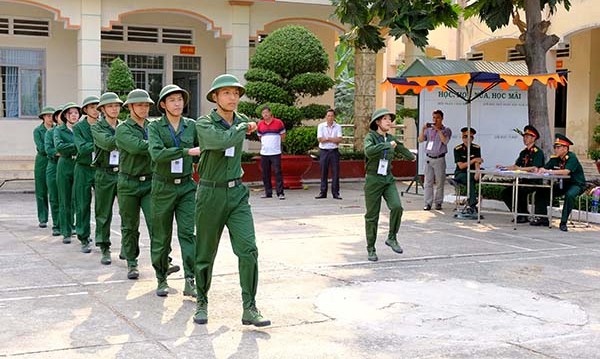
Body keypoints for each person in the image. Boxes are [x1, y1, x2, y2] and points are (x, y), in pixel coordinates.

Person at [193, 74, 270, 327]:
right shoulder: (204, 123)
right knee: (205, 252)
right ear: (215, 97)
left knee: (248, 249)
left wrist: (249, 126)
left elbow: (258, 132)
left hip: (237, 193)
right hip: (210, 193)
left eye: (236, 93)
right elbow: (218, 141)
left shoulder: (241, 121)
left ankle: (250, 307)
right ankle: (202, 301)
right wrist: (242, 128)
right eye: (226, 93)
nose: (233, 98)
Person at [117, 89, 182, 280]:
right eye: (139, 105)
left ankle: (164, 260)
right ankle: (132, 262)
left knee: (157, 224)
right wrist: (158, 146)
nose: (144, 108)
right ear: (130, 107)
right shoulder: (123, 129)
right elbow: (136, 147)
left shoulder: (154, 126)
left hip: (150, 182)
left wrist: (161, 147)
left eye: (146, 105)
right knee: (129, 225)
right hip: (128, 182)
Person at [148, 85, 200, 297]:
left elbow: (201, 151)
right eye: (172, 100)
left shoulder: (191, 126)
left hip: (186, 186)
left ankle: (190, 279)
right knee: (161, 236)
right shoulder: (155, 128)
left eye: (180, 99)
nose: (177, 103)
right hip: (163, 186)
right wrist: (186, 151)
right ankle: (161, 278)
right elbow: (157, 154)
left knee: (188, 233)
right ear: (163, 105)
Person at [364, 108, 415, 262]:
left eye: (389, 119)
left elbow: (401, 148)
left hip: (388, 178)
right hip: (373, 180)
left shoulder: (391, 138)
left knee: (397, 207)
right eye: (385, 119)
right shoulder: (371, 137)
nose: (389, 122)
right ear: (377, 122)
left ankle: (392, 237)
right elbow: (368, 151)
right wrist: (387, 146)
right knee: (372, 216)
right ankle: (371, 249)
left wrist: (411, 157)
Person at [531, 134, 586, 231]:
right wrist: (540, 170)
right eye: (555, 147)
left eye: (558, 147)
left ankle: (563, 222)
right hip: (563, 184)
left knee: (569, 195)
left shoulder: (571, 157)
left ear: (565, 148)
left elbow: (566, 172)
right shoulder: (554, 159)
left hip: (576, 184)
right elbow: (545, 168)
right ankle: (542, 218)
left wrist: (549, 172)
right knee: (541, 192)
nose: (555, 149)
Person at [92, 92, 123, 265]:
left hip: (123, 173)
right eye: (110, 106)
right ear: (103, 109)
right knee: (103, 212)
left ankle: (127, 248)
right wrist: (127, 138)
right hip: (104, 173)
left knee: (128, 212)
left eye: (117, 105)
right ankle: (104, 246)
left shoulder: (125, 125)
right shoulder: (97, 127)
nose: (114, 109)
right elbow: (107, 143)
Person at [498, 125, 545, 223]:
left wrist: (520, 169)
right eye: (524, 136)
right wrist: (504, 167)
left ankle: (523, 215)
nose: (525, 139)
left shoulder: (538, 152)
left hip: (533, 182)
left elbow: (534, 168)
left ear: (533, 138)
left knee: (521, 190)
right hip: (523, 180)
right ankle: (519, 213)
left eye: (527, 137)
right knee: (506, 193)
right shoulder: (523, 152)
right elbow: (516, 166)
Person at [73, 96, 100, 253]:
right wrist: (101, 143)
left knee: (102, 206)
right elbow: (81, 148)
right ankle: (84, 237)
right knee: (82, 204)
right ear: (85, 110)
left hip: (99, 168)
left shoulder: (103, 125)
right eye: (92, 107)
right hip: (83, 168)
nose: (95, 110)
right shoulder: (79, 128)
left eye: (98, 106)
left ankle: (102, 237)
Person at [54, 102, 81, 243]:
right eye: (71, 113)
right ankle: (66, 231)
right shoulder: (59, 130)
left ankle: (78, 228)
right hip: (64, 165)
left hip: (78, 164)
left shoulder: (81, 129)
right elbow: (59, 147)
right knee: (65, 199)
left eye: (76, 113)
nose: (74, 115)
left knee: (78, 199)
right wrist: (77, 146)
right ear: (65, 115)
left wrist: (72, 147)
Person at [418, 110, 451, 210]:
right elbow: (420, 140)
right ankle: (428, 203)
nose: (435, 120)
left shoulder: (446, 130)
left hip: (439, 158)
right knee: (428, 182)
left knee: (440, 182)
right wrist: (423, 129)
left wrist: (438, 130)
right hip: (429, 158)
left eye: (437, 118)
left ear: (442, 118)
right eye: (433, 118)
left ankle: (438, 202)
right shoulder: (429, 130)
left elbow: (445, 141)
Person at [451, 127, 483, 213]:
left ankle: (471, 204)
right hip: (461, 173)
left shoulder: (476, 148)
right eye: (465, 136)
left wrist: (477, 171)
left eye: (469, 137)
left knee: (476, 176)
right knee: (470, 179)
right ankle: (472, 204)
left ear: (472, 138)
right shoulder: (458, 149)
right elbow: (461, 166)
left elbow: (478, 161)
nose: (467, 139)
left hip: (473, 172)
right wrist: (473, 160)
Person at [257, 106, 286, 199]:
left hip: (275, 152)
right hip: (264, 153)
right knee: (265, 173)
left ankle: (280, 193)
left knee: (278, 172)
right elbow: (260, 136)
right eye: (263, 113)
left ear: (270, 113)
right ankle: (268, 192)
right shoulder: (260, 124)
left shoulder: (278, 122)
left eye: (266, 112)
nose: (265, 114)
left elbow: (283, 135)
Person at [33, 106, 55, 229]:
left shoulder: (57, 129)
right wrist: (53, 150)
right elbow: (42, 148)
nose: (50, 118)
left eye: (52, 115)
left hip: (55, 161)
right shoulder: (38, 131)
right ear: (43, 117)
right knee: (41, 191)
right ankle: (43, 218)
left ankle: (57, 219)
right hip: (42, 161)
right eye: (47, 116)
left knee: (54, 191)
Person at [315, 109, 342, 200]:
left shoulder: (338, 126)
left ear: (334, 117)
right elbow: (320, 139)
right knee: (323, 172)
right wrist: (332, 139)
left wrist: (327, 138)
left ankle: (335, 193)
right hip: (324, 151)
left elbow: (339, 140)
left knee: (335, 173)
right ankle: (323, 192)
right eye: (328, 116)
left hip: (334, 151)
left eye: (332, 116)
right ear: (326, 117)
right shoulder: (321, 126)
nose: (330, 117)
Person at [45, 106, 63, 236]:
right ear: (56, 118)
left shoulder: (73, 131)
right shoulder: (50, 133)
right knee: (55, 197)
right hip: (54, 167)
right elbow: (49, 150)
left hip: (69, 166)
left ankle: (69, 224)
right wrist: (63, 152)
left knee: (70, 198)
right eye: (60, 115)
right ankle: (57, 225)